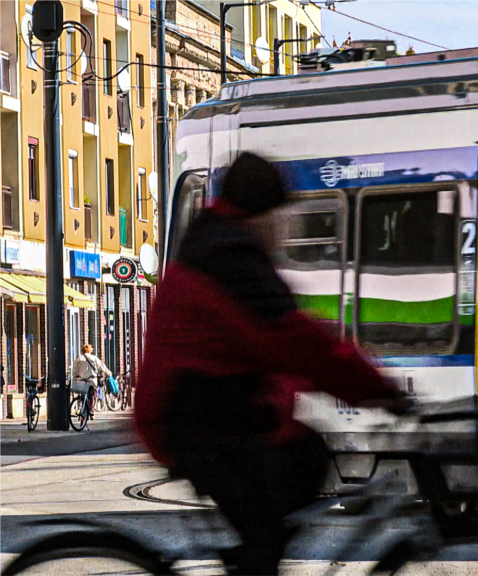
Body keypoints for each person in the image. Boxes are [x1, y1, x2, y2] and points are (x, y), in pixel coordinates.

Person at [135, 152, 405, 576]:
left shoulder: (220, 244)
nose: (285, 229)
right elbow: (296, 342)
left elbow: (282, 345)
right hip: (195, 425)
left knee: (296, 469)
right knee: (295, 473)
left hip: (205, 416)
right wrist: (380, 390)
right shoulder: (230, 258)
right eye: (282, 216)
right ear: (262, 214)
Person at [72, 344, 112, 412]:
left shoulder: (78, 359)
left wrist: (76, 377)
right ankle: (91, 410)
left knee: (83, 393)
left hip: (81, 381)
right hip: (91, 381)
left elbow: (74, 371)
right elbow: (102, 367)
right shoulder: (94, 358)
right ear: (89, 350)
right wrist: (109, 374)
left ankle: (83, 405)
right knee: (93, 394)